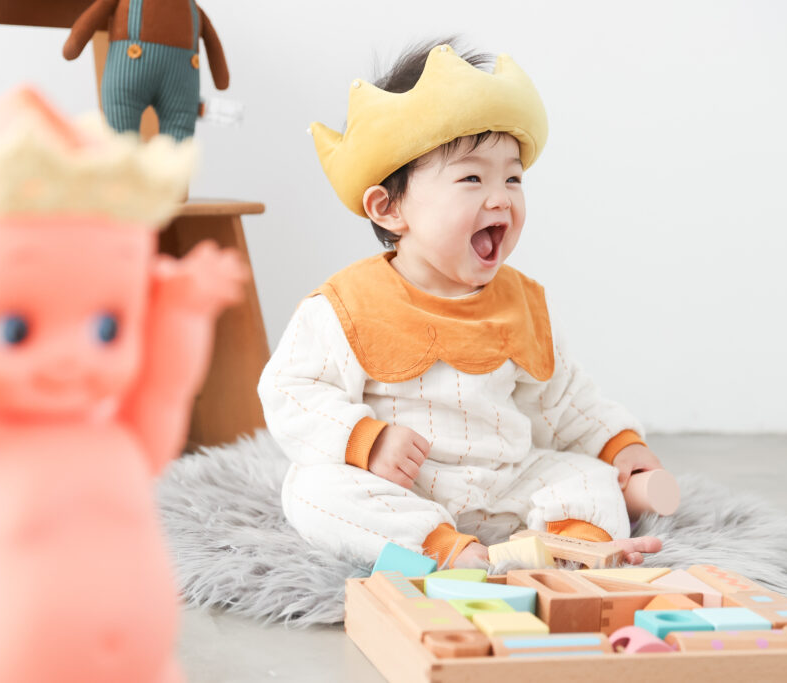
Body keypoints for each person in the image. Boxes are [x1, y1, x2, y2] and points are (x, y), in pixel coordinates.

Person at [258, 40, 664, 570]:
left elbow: (565, 400)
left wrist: (621, 446)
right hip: (404, 489)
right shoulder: (345, 306)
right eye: (472, 178)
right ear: (390, 207)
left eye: (512, 178)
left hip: (506, 483)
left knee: (585, 477)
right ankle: (440, 549)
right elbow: (291, 393)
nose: (500, 198)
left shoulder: (522, 302)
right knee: (311, 491)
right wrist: (365, 441)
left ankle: (574, 546)